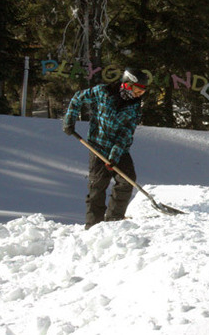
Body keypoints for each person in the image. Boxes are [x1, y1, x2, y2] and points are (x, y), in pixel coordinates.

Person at [63, 68, 148, 229]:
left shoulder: (135, 107)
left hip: (119, 149)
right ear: (127, 84)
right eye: (137, 90)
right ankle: (93, 227)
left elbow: (126, 132)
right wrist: (69, 120)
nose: (139, 95)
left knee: (126, 181)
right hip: (98, 146)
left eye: (142, 92)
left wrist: (114, 155)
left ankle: (113, 221)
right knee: (97, 186)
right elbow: (77, 98)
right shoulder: (102, 92)